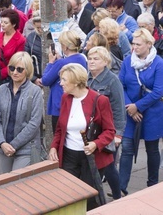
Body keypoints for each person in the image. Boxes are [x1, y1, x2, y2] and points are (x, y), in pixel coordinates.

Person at [49, 63, 115, 210]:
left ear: (76, 81)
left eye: (64, 80)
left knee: (90, 199)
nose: (61, 83)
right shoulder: (66, 98)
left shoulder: (100, 100)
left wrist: (95, 144)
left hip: (91, 157)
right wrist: (54, 146)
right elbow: (60, 127)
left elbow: (110, 131)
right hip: (69, 155)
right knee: (67, 194)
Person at [118, 28, 163, 195]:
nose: (134, 47)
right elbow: (120, 86)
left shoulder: (158, 63)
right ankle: (121, 187)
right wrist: (130, 107)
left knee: (152, 149)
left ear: (149, 44)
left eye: (138, 44)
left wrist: (139, 106)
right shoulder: (128, 61)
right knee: (127, 148)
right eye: (133, 43)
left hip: (152, 113)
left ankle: (152, 185)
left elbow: (159, 91)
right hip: (130, 111)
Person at [0, 52, 44, 172]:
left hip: (27, 148)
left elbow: (34, 124)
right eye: (12, 68)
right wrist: (2, 143)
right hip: (4, 147)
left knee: (18, 183)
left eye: (20, 69)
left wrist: (13, 145)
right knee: (6, 185)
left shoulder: (35, 91)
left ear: (27, 71)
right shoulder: (2, 89)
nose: (15, 72)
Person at [86, 46, 125, 200]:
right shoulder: (86, 78)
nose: (91, 61)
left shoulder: (113, 80)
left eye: (96, 59)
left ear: (105, 62)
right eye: (90, 58)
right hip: (91, 130)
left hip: (108, 131)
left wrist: (118, 134)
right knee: (97, 166)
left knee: (107, 166)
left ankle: (116, 195)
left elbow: (119, 108)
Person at [40, 31, 87, 132]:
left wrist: (51, 62)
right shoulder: (82, 59)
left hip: (60, 105)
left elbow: (45, 80)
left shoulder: (60, 63)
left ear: (65, 47)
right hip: (76, 104)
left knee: (59, 137)